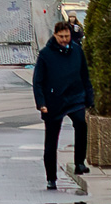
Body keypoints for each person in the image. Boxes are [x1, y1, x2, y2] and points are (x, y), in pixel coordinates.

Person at [32, 20, 93, 190]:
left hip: (75, 97)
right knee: (51, 140)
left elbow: (85, 76)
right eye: (61, 37)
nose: (65, 39)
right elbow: (38, 81)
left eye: (67, 36)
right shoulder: (45, 55)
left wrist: (89, 98)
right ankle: (51, 177)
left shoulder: (77, 51)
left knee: (81, 123)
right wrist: (41, 103)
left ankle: (79, 162)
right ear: (55, 35)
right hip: (54, 101)